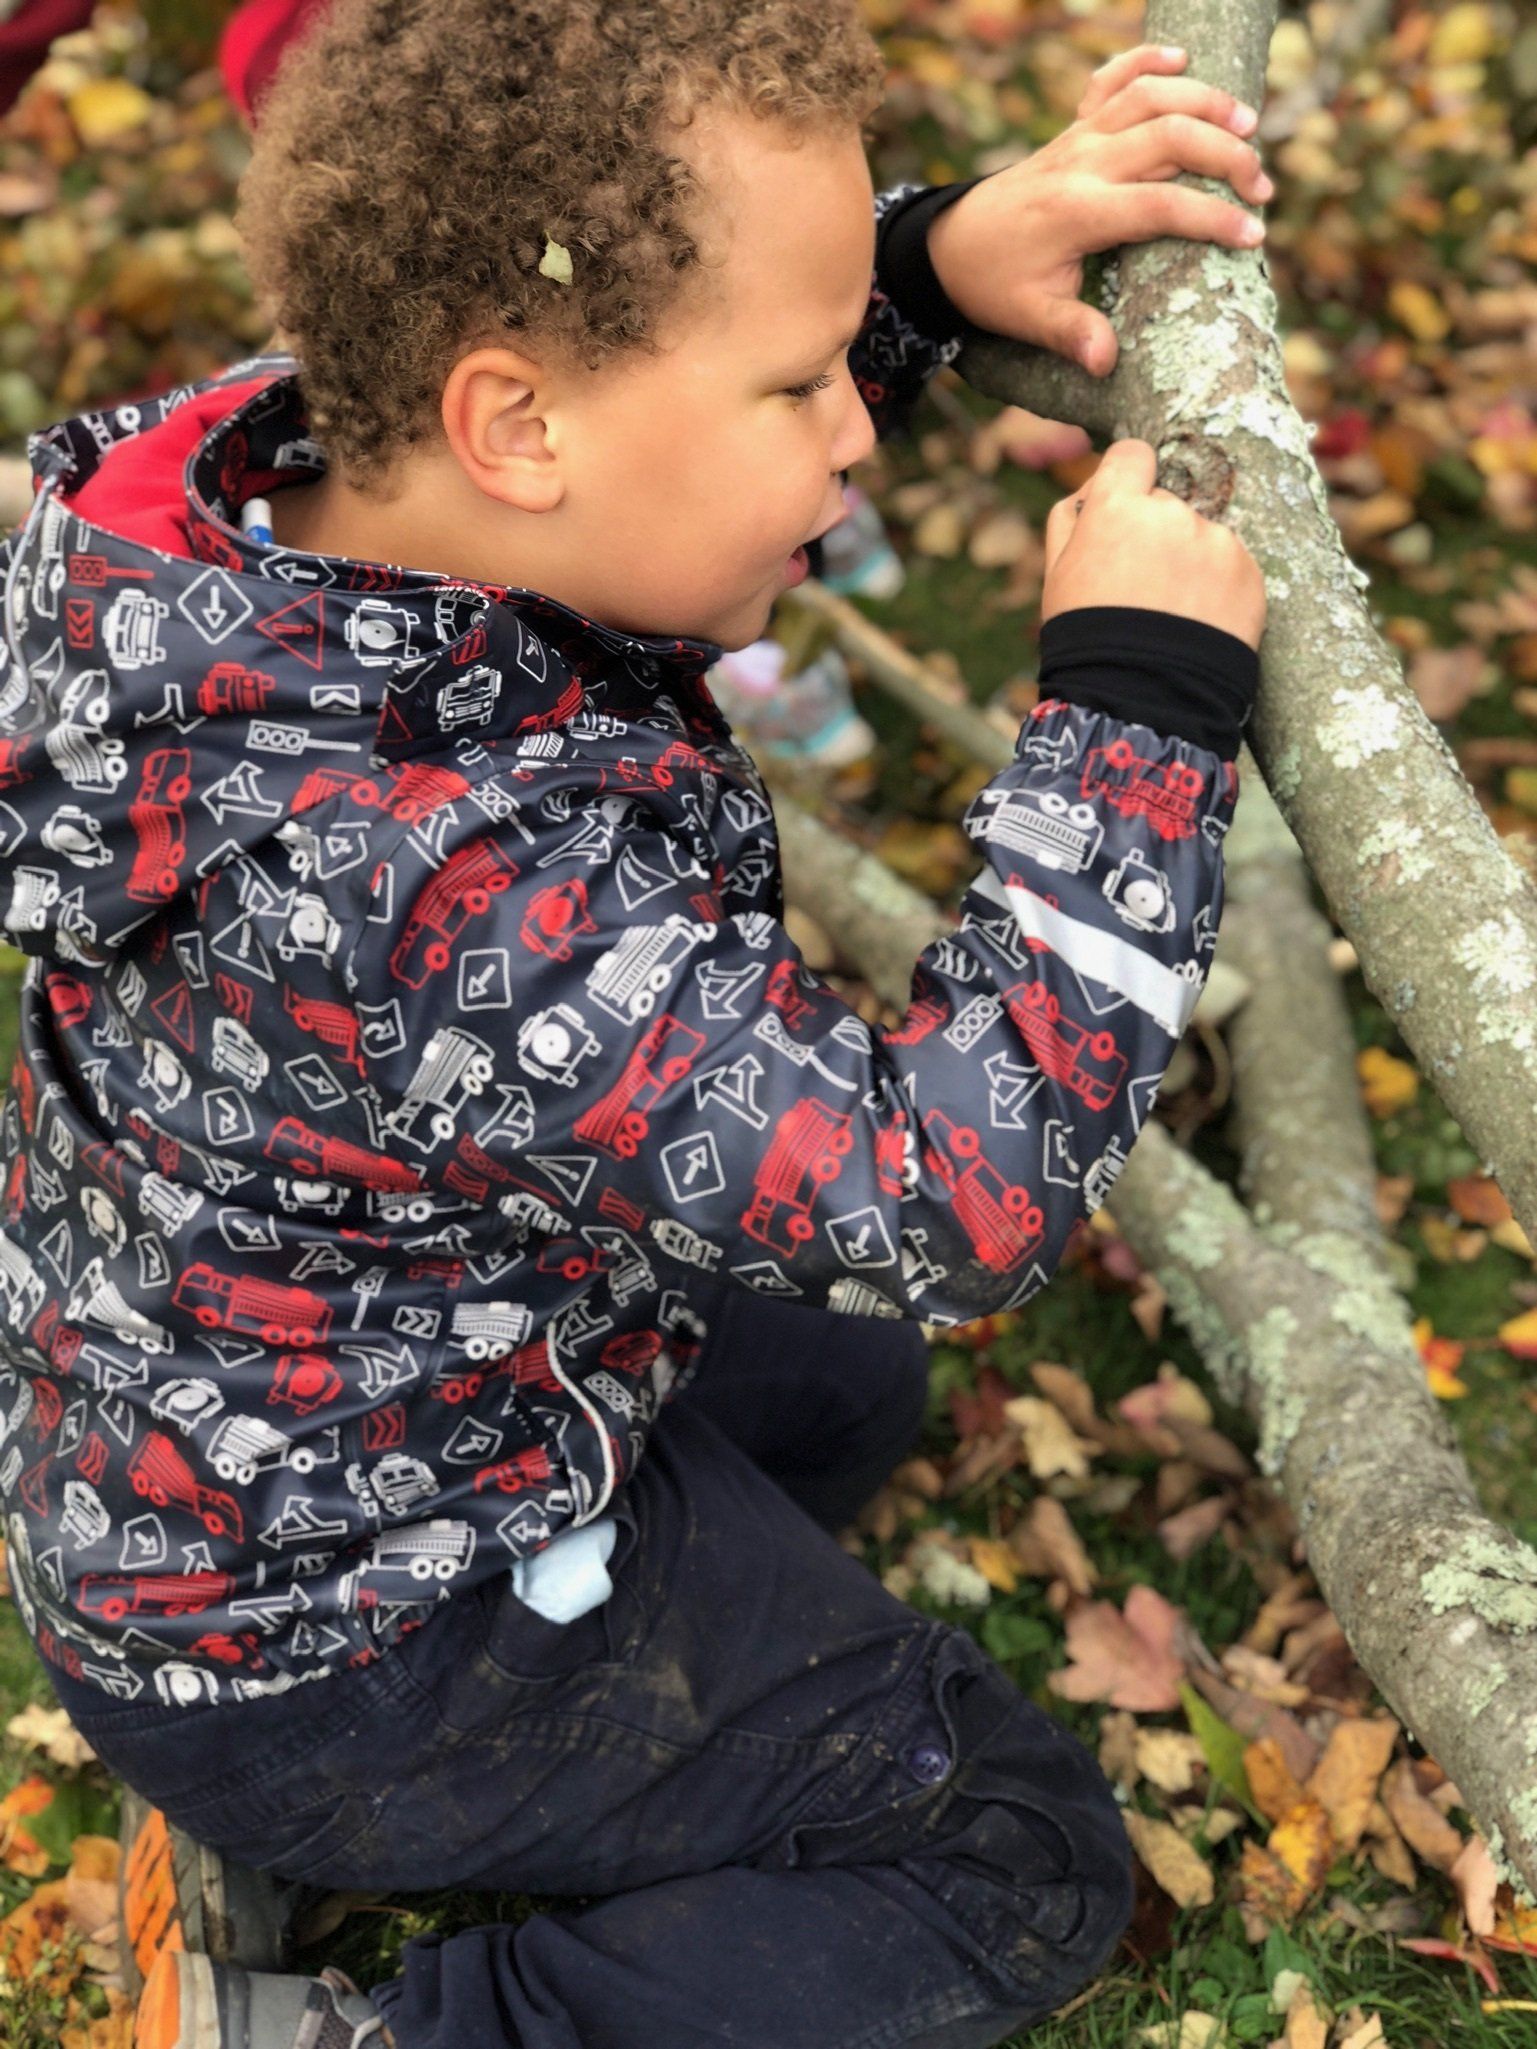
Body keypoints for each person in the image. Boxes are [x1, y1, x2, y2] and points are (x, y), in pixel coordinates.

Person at [0, 3, 1271, 2044]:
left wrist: (926, 271)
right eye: (801, 380)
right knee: (1004, 1848)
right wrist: (1131, 707)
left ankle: (450, 1754)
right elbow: (943, 1196)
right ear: (515, 426)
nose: (851, 433)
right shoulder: (440, 875)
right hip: (336, 1639)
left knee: (839, 1390)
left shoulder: (295, 493)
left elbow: (639, 379)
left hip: (252, 1459)